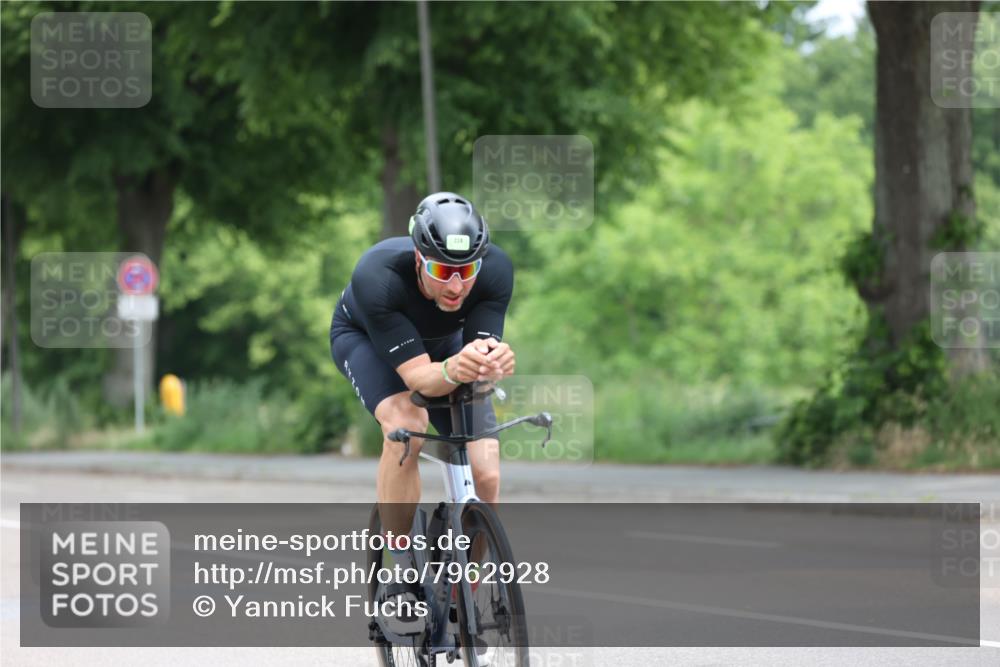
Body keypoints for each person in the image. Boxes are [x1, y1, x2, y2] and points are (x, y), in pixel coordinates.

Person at [329, 192, 515, 622]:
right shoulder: (378, 275)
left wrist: (494, 362)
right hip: (367, 343)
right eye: (443, 271)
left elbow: (477, 364)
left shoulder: (495, 272)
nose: (456, 286)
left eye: (466, 271)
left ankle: (463, 589)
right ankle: (403, 565)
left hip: (444, 349)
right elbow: (419, 381)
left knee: (486, 470)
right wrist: (458, 366)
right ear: (418, 259)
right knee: (406, 426)